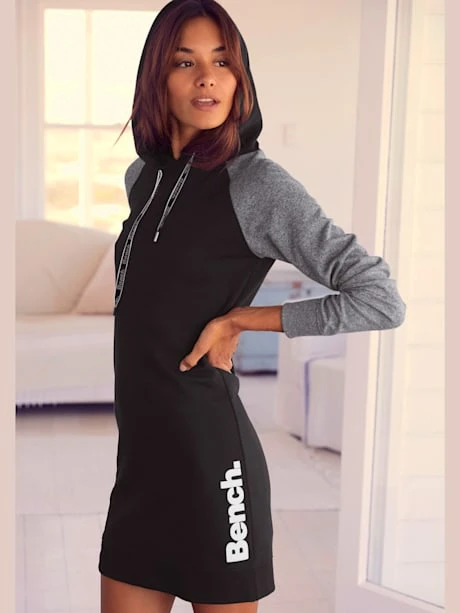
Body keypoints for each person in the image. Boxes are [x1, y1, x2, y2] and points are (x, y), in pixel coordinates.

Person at [98, 1, 406, 611]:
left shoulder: (256, 183)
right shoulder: (143, 178)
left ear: (240, 77)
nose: (207, 78)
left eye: (222, 62)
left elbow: (379, 299)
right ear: (157, 76)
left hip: (214, 466)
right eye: (185, 62)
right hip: (139, 466)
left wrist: (245, 318)